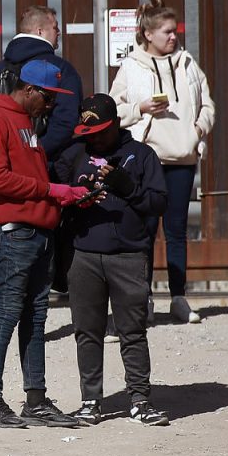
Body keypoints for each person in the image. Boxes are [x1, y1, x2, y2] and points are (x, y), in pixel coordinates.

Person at [0, 60, 89, 429]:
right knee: (8, 313)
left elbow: (28, 176)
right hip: (14, 233)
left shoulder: (26, 122)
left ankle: (35, 400)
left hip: (39, 230)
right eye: (49, 96)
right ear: (29, 90)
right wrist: (51, 190)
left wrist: (60, 197)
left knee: (36, 317)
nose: (52, 105)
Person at [54, 94, 170, 427]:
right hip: (84, 256)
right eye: (89, 132)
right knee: (86, 331)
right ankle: (91, 401)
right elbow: (56, 194)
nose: (96, 138)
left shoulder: (142, 155)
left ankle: (139, 400)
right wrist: (79, 193)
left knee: (132, 331)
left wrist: (126, 186)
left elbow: (159, 202)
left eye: (102, 131)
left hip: (129, 256)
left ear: (117, 124)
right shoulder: (74, 155)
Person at [108, 0, 215, 324]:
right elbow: (112, 109)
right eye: (167, 31)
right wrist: (141, 109)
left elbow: (208, 105)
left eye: (175, 31)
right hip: (148, 160)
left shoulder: (187, 63)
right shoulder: (131, 67)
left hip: (182, 158)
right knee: (144, 230)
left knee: (177, 230)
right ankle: (145, 298)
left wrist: (197, 130)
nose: (173, 36)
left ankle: (179, 297)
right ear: (148, 34)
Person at [0, 5, 85, 299]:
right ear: (40, 31)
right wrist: (34, 155)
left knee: (13, 237)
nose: (59, 32)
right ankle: (51, 290)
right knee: (51, 233)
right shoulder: (61, 70)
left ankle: (16, 293)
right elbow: (66, 123)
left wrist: (12, 156)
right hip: (51, 166)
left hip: (8, 174)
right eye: (56, 27)